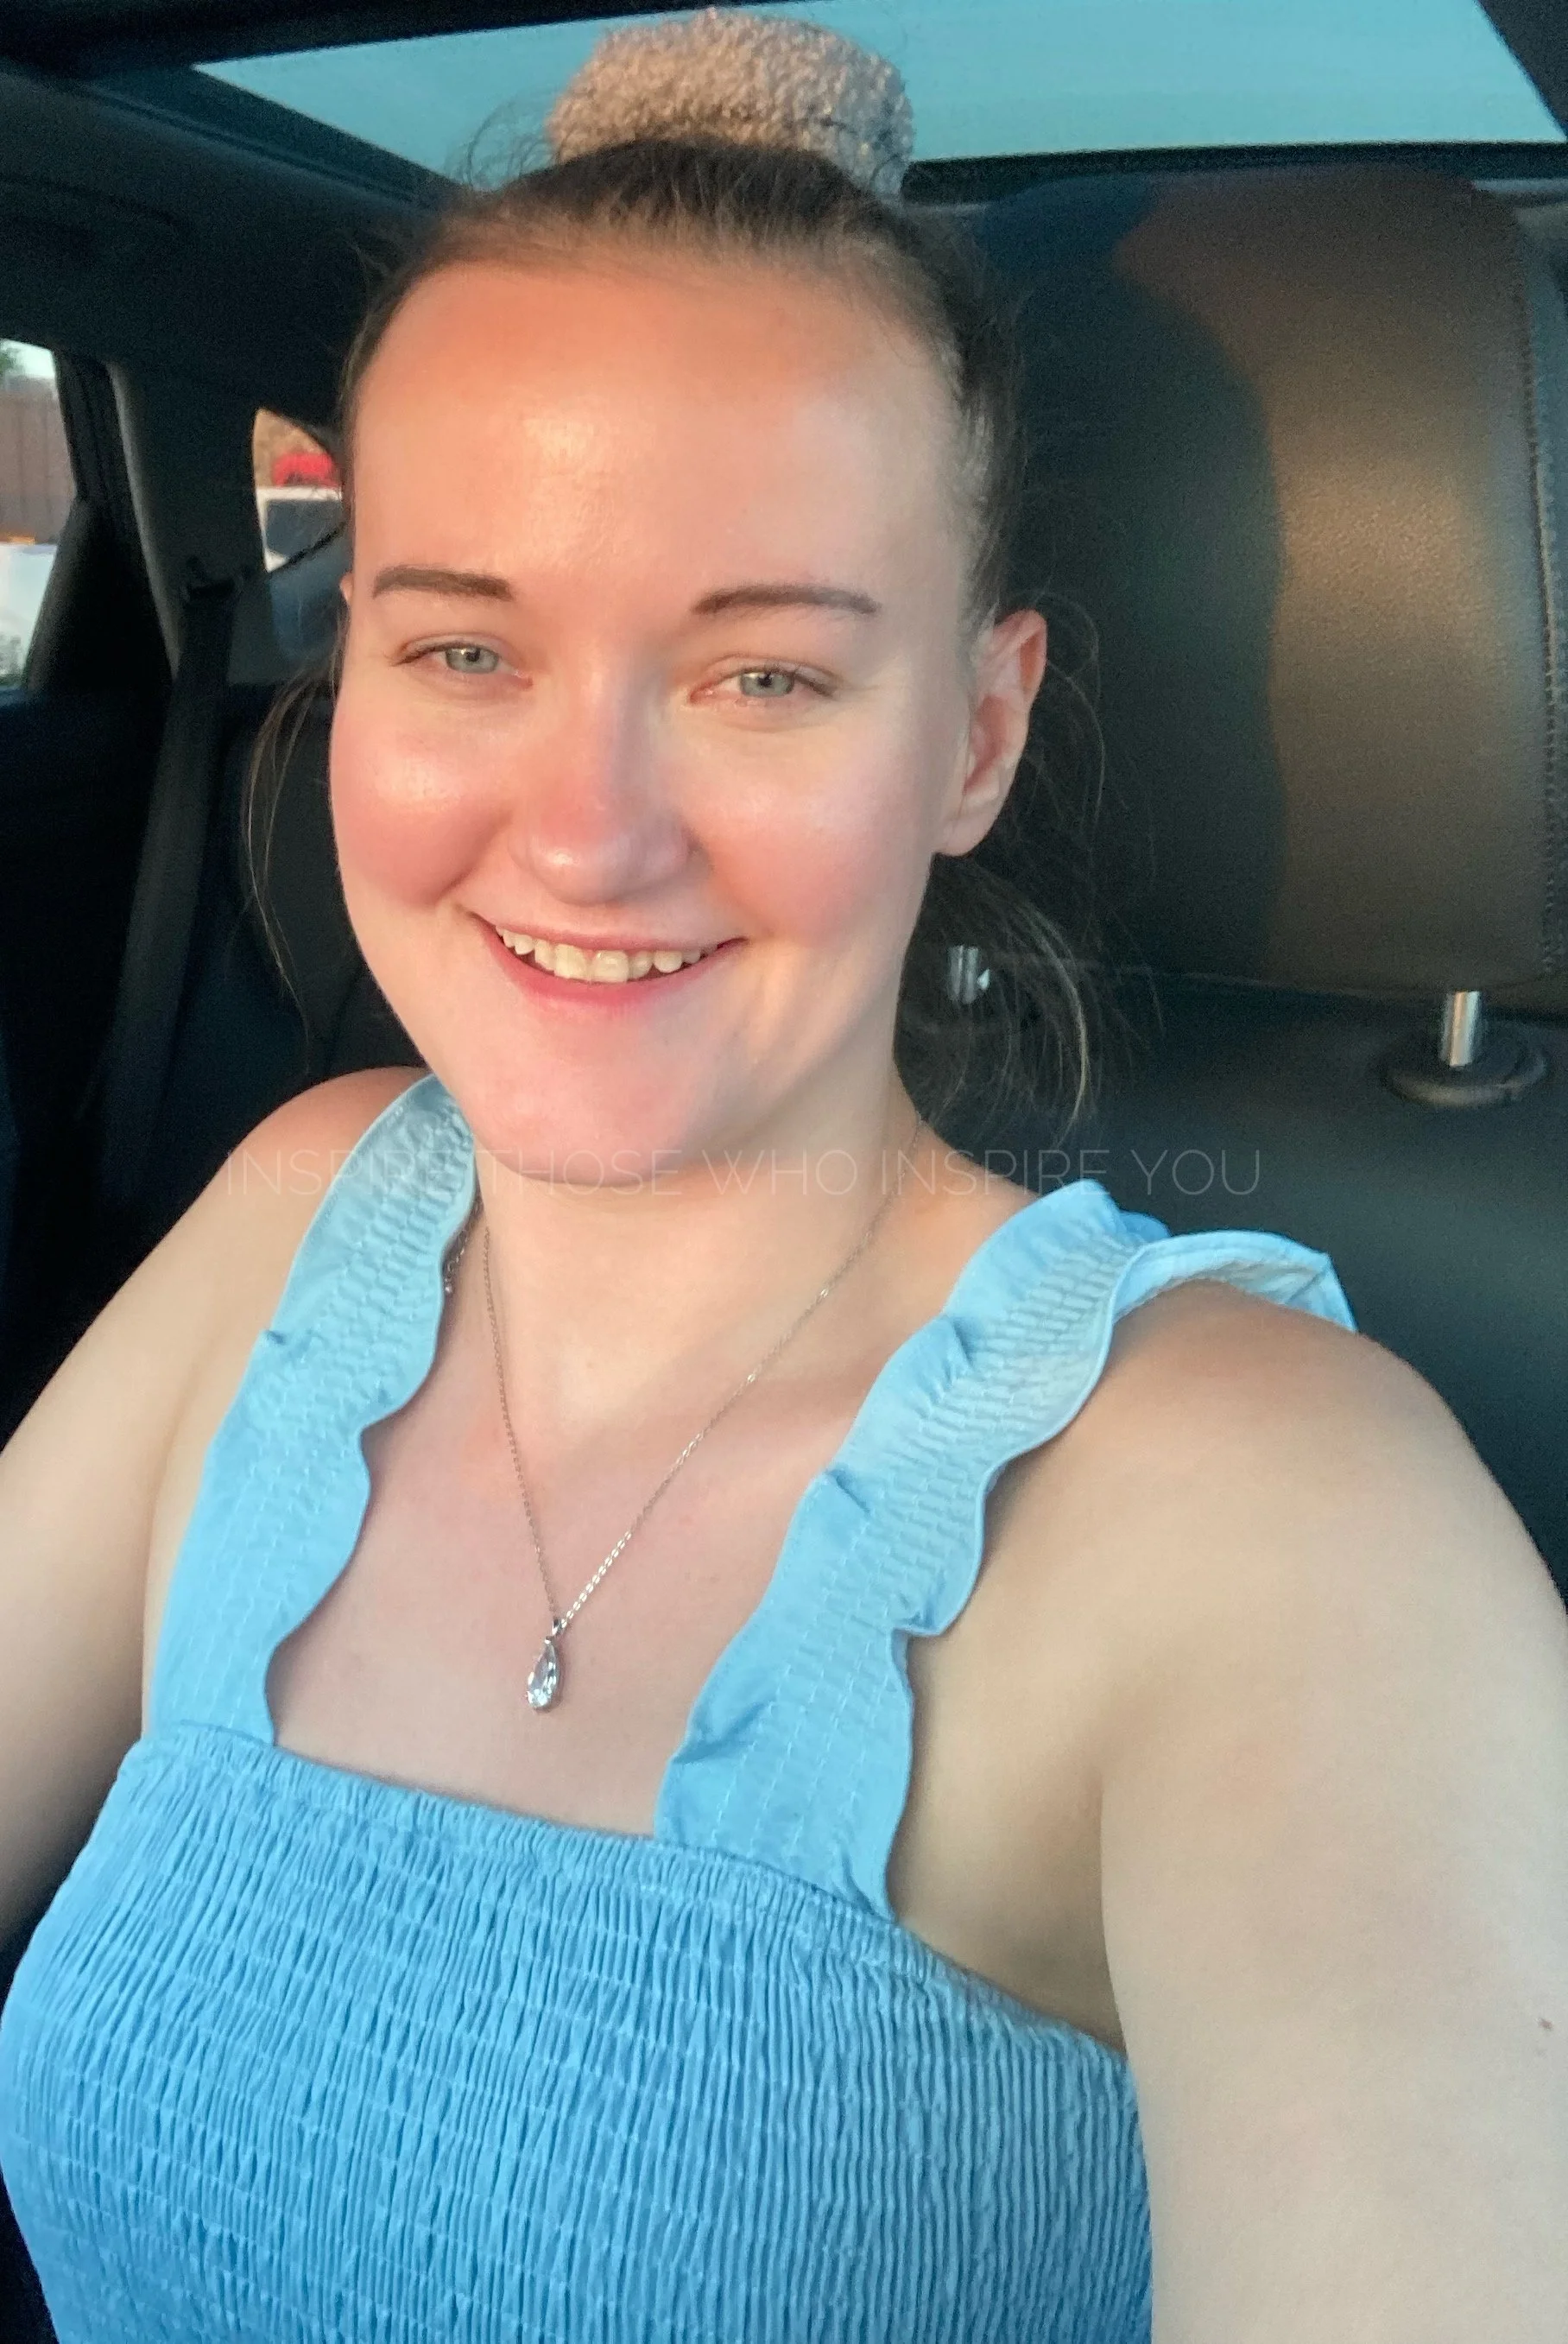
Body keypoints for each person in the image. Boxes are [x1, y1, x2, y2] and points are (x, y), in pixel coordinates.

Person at [1, 12, 1565, 2341]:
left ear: (976, 732)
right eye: (462, 645)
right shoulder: (299, 1214)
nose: (588, 831)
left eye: (763, 681)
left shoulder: (1275, 1513)